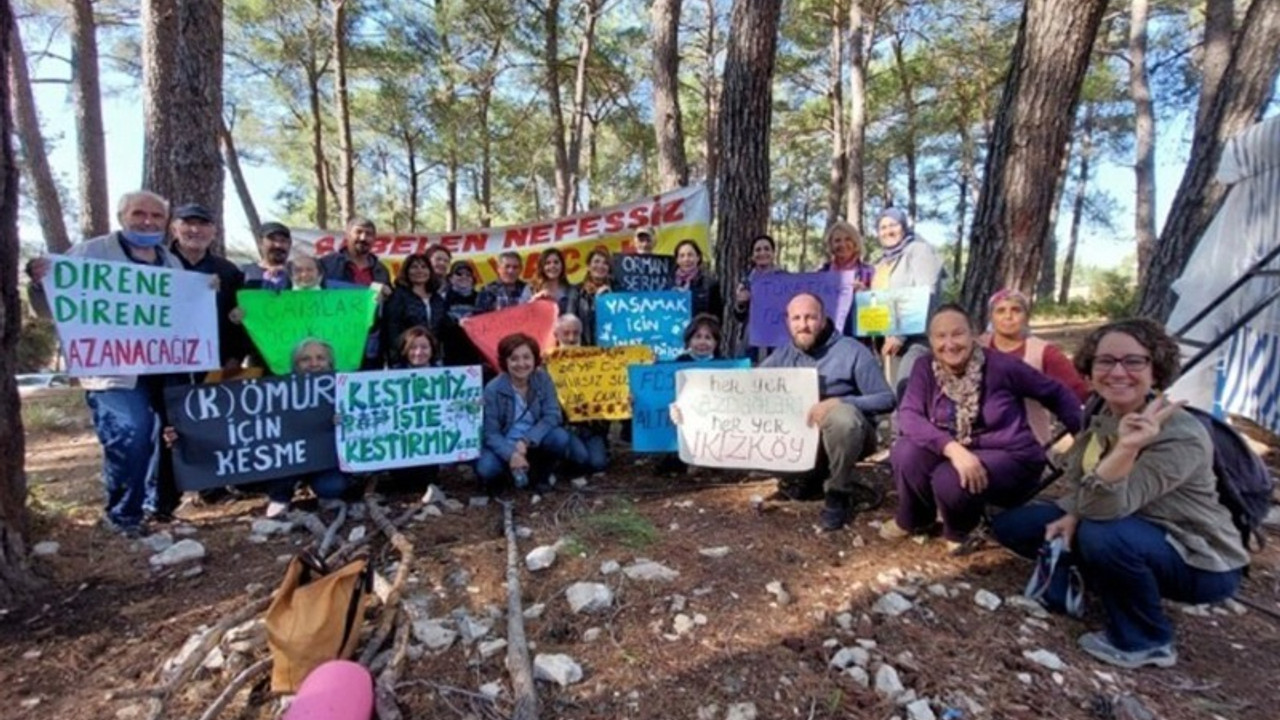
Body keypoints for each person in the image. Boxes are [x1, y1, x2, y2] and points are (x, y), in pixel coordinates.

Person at [990, 319, 1248, 669]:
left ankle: (1145, 639)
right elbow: (1085, 481)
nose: (1118, 372)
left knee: (1103, 533)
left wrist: (1126, 449)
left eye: (1133, 361)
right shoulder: (1101, 412)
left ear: (1155, 370)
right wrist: (1072, 514)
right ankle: (1106, 578)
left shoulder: (1179, 434)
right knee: (1016, 525)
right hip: (1129, 524)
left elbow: (1110, 507)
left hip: (1194, 555)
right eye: (1105, 361)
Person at [26, 190, 185, 537]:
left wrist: (205, 292)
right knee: (129, 431)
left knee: (164, 435)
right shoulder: (90, 253)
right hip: (113, 369)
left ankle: (153, 506)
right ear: (121, 217)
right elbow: (49, 308)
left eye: (157, 217)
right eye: (139, 214)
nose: (148, 221)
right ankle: (123, 516)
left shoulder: (170, 262)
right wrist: (40, 284)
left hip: (162, 366)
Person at [885, 304, 1083, 552]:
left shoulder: (1002, 366)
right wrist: (953, 449)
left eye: (957, 334)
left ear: (973, 334)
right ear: (931, 340)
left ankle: (959, 530)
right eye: (940, 336)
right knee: (906, 451)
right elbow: (909, 415)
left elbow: (1056, 393)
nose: (950, 344)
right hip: (957, 450)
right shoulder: (925, 367)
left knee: (950, 477)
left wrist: (1085, 438)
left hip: (1010, 456)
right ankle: (914, 518)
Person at [761, 293, 896, 531]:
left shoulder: (852, 350)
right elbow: (747, 388)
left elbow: (886, 399)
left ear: (823, 319)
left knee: (843, 417)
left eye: (811, 317)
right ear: (788, 322)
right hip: (801, 438)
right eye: (797, 318)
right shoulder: (782, 355)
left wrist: (840, 401)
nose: (803, 325)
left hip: (848, 435)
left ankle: (838, 492)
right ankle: (805, 478)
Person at [978, 288, 1091, 444]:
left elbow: (1076, 391)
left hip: (1031, 442)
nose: (1008, 316)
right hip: (979, 441)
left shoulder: (1044, 352)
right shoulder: (976, 348)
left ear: (1026, 316)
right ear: (991, 316)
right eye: (1000, 311)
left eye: (1016, 310)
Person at [265, 339, 352, 517]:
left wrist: (344, 420)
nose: (314, 364)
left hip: (326, 460)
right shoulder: (280, 389)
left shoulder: (344, 386)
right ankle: (280, 498)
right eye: (305, 359)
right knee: (278, 475)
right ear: (295, 364)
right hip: (291, 459)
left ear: (330, 362)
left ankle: (326, 496)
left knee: (333, 486)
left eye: (320, 358)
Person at [477, 333, 573, 495]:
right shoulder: (493, 389)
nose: (521, 364)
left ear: (535, 359)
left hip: (533, 440)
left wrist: (526, 440)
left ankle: (542, 475)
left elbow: (552, 415)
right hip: (504, 441)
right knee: (487, 468)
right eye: (514, 359)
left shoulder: (543, 379)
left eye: (526, 357)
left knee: (560, 437)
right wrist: (510, 454)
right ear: (505, 362)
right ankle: (504, 477)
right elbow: (491, 433)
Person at [872, 208, 945, 395]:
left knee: (907, 387)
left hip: (917, 338)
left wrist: (900, 335)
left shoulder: (919, 251)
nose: (888, 231)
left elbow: (927, 292)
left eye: (893, 225)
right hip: (888, 341)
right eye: (883, 227)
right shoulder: (881, 263)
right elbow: (878, 300)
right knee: (891, 395)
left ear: (903, 227)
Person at [319, 217, 392, 368]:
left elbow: (386, 307)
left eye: (369, 234)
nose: (363, 238)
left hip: (370, 344)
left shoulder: (381, 270)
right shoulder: (326, 264)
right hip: (334, 341)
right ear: (347, 234)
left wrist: (387, 293)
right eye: (358, 232)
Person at [550, 315, 610, 478]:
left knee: (598, 464)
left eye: (575, 333)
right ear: (556, 335)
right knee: (581, 459)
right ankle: (560, 461)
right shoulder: (547, 363)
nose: (571, 338)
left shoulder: (596, 361)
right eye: (566, 333)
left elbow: (610, 392)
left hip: (590, 428)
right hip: (564, 427)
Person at [383, 253, 446, 365]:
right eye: (414, 267)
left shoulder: (437, 299)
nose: (419, 270)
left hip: (433, 359)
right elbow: (392, 328)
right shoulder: (398, 296)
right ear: (406, 271)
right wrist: (397, 356)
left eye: (424, 267)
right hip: (406, 358)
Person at [817, 220, 875, 336]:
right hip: (827, 337)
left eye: (848, 239)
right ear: (831, 245)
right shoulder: (822, 274)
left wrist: (867, 296)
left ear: (855, 243)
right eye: (837, 240)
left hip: (860, 338)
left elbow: (881, 311)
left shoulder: (870, 273)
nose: (842, 244)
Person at [732, 234, 786, 359]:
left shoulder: (785, 279)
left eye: (767, 249)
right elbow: (739, 317)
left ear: (773, 253)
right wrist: (741, 303)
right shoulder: (746, 281)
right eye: (758, 250)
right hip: (751, 340)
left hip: (778, 340)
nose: (762, 253)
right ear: (752, 256)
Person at [566, 247, 613, 346]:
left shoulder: (615, 291)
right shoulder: (577, 291)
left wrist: (611, 297)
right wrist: (598, 300)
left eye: (605, 263)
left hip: (611, 350)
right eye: (596, 261)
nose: (600, 265)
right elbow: (570, 321)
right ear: (588, 266)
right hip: (586, 349)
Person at [673, 239, 723, 319]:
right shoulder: (668, 283)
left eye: (690, 255)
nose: (686, 259)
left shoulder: (710, 284)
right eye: (682, 256)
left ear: (698, 257)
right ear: (677, 260)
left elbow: (717, 317)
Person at [519, 247, 573, 313]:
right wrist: (534, 300)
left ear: (562, 265)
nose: (552, 266)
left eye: (556, 262)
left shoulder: (570, 289)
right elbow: (521, 313)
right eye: (547, 263)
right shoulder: (531, 288)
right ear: (541, 267)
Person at [243, 221, 293, 290]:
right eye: (272, 239)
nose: (278, 245)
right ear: (260, 243)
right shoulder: (245, 272)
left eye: (283, 240)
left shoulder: (300, 272)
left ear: (289, 245)